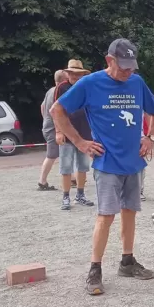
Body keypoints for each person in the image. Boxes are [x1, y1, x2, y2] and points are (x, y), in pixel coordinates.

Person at [51, 38, 154, 296]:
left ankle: (127, 261)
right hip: (107, 162)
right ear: (109, 60)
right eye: (124, 66)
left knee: (130, 212)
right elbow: (57, 111)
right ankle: (95, 269)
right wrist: (79, 142)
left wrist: (151, 137)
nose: (128, 72)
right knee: (106, 216)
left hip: (134, 162)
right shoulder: (91, 83)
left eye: (132, 66)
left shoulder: (137, 82)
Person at [54, 59, 95, 210]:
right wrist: (58, 131)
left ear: (82, 74)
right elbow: (55, 111)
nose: (74, 76)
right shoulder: (62, 87)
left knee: (83, 166)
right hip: (67, 132)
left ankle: (80, 195)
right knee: (66, 166)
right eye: (71, 73)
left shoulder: (86, 87)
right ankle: (66, 196)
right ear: (67, 74)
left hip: (84, 132)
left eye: (77, 74)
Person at [38, 69, 66, 190]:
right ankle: (42, 182)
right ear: (63, 80)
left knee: (66, 152)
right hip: (53, 128)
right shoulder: (59, 92)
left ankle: (73, 178)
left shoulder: (50, 91)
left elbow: (42, 106)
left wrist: (45, 119)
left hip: (48, 125)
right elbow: (56, 111)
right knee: (52, 155)